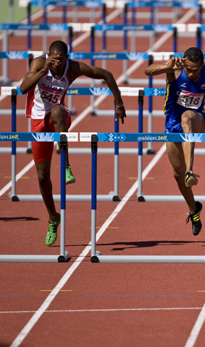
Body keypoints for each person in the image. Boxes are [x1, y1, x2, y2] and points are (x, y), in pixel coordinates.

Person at [20, 40, 126, 246]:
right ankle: (53, 217)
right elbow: (23, 88)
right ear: (47, 55)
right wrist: (44, 70)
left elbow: (107, 75)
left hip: (57, 118)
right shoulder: (38, 64)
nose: (57, 63)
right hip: (38, 121)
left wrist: (119, 102)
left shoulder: (74, 68)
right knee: (42, 177)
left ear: (66, 58)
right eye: (54, 59)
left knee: (59, 110)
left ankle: (67, 166)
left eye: (60, 60)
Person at [144, 47, 205, 236]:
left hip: (197, 120)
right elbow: (148, 71)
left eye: (196, 70)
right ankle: (194, 209)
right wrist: (165, 67)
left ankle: (190, 172)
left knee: (187, 117)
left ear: (202, 65)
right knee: (176, 175)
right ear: (184, 63)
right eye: (189, 69)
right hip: (172, 125)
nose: (192, 73)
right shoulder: (175, 69)